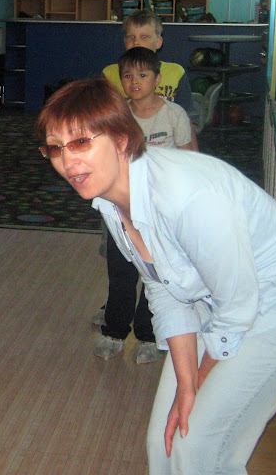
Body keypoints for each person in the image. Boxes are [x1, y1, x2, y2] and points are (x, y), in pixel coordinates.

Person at [37, 78, 276, 475]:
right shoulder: (110, 201)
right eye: (56, 147)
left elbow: (238, 308)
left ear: (121, 140)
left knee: (198, 444)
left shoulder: (187, 196)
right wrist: (187, 383)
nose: (68, 162)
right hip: (214, 300)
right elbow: (162, 285)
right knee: (164, 442)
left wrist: (199, 383)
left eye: (81, 142)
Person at [94, 47, 195, 364]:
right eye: (127, 75)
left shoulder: (174, 115)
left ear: (157, 78)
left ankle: (149, 335)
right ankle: (114, 332)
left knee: (156, 273)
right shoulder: (116, 116)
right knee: (121, 273)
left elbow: (189, 159)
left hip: (161, 211)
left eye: (142, 74)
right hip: (122, 211)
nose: (134, 81)